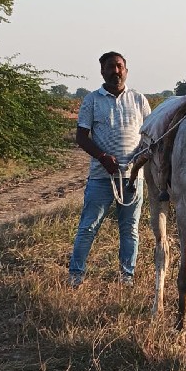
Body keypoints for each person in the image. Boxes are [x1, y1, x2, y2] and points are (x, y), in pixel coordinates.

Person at [68, 51, 151, 287]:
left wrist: (141, 160)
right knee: (88, 227)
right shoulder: (92, 100)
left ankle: (127, 277)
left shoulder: (139, 99)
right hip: (101, 178)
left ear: (126, 70)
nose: (116, 71)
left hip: (133, 177)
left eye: (120, 66)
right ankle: (76, 275)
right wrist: (103, 157)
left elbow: (150, 136)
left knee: (130, 230)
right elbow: (82, 138)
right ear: (102, 71)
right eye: (111, 67)